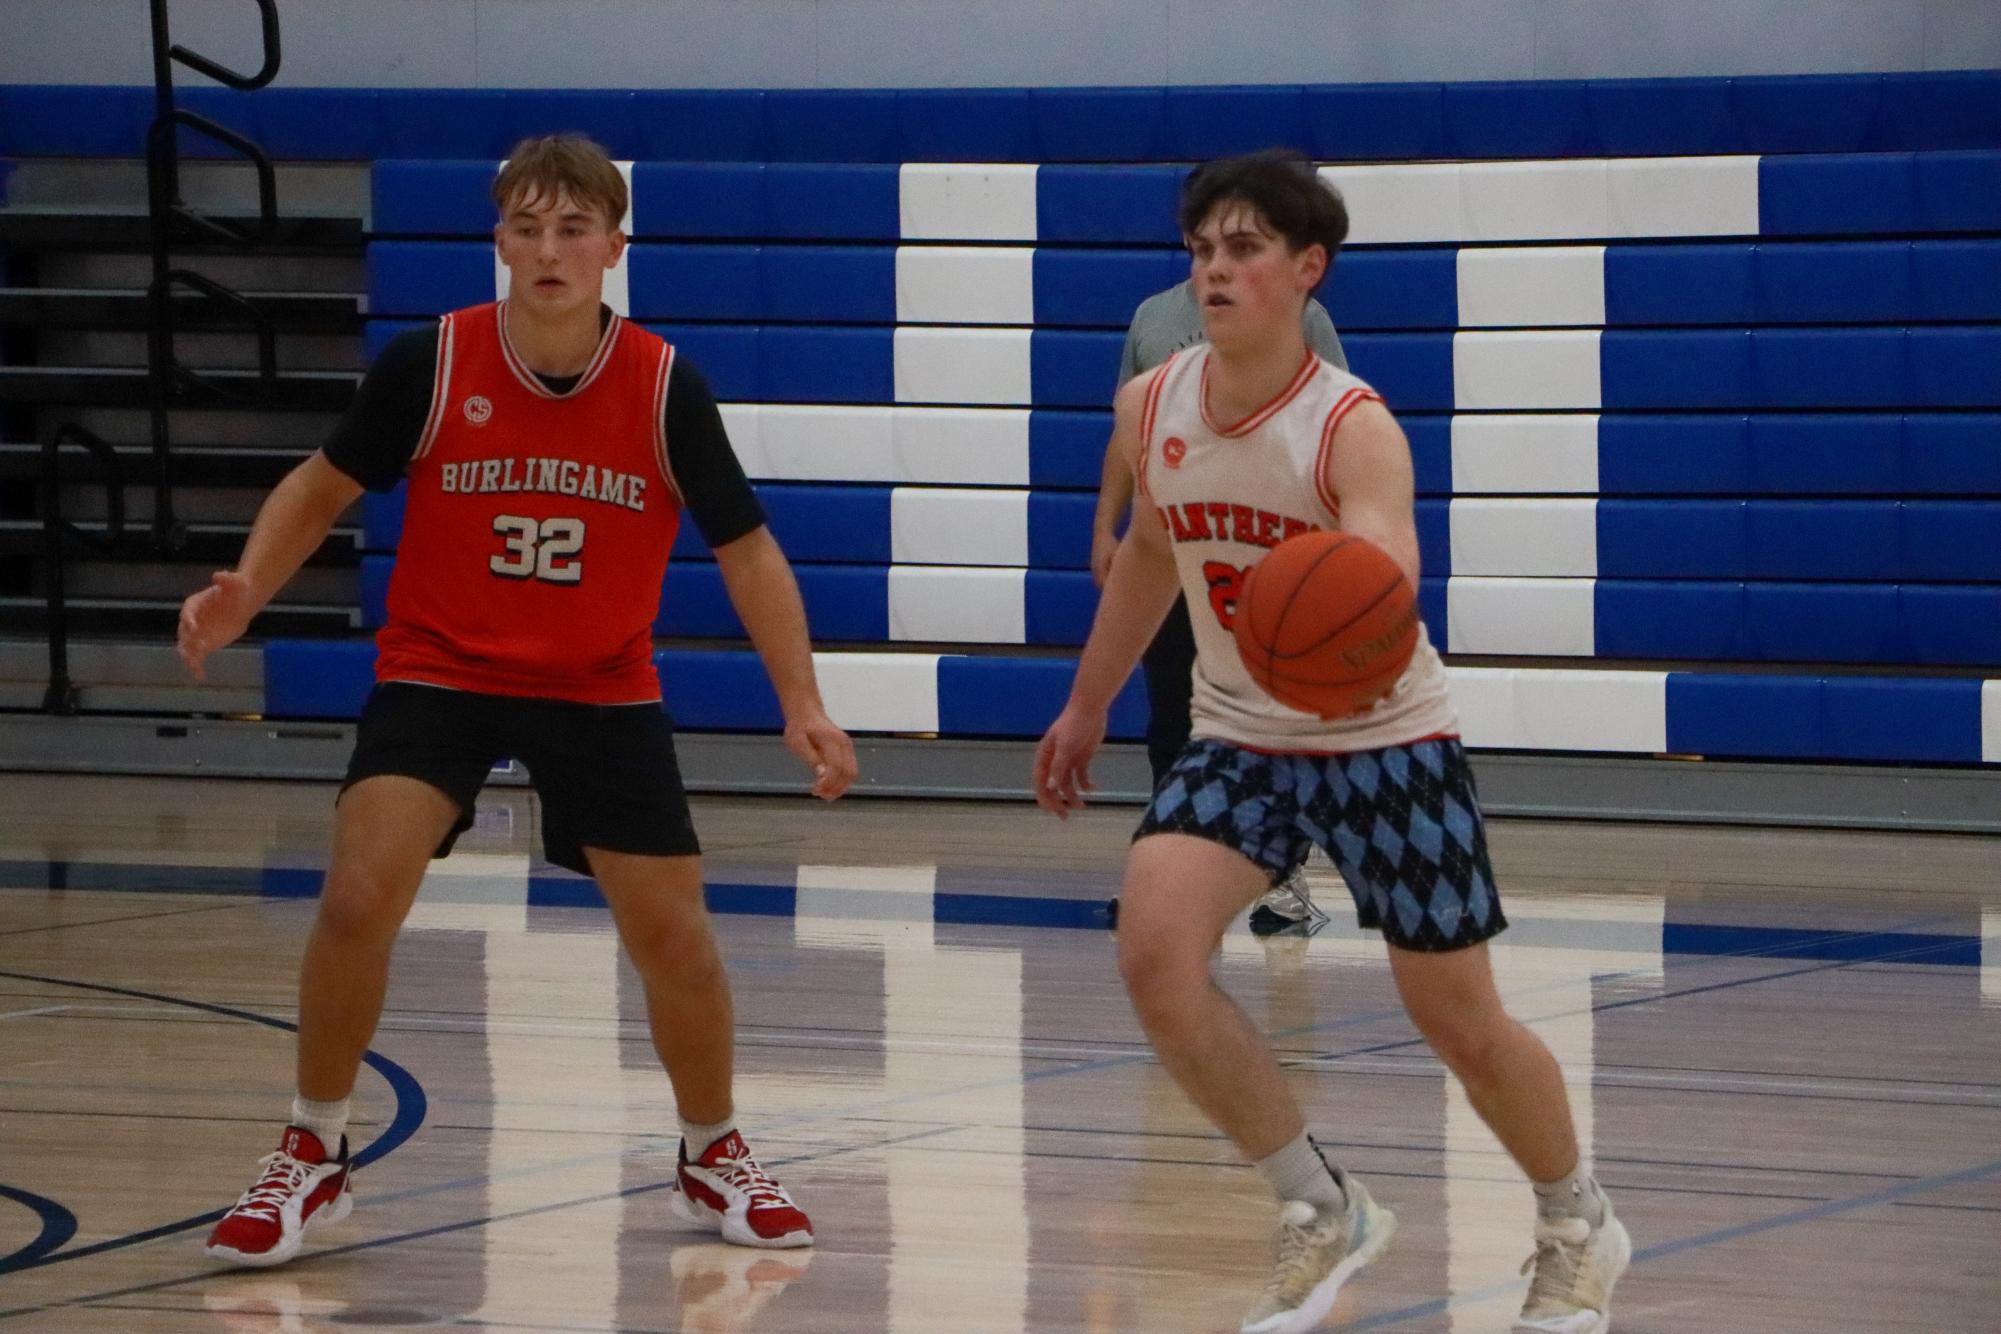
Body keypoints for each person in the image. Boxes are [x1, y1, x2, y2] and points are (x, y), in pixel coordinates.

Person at [179, 134, 857, 1267]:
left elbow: (746, 550)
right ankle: (313, 1149)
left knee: (676, 938)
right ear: (498, 240)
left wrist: (804, 700)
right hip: (441, 668)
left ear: (613, 246)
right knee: (356, 892)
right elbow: (320, 483)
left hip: (598, 681)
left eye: (572, 228)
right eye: (528, 228)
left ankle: (712, 1146)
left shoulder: (661, 381)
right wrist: (249, 587)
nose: (549, 250)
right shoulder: (432, 362)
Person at [1034, 150, 1629, 1334]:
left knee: (1459, 1017)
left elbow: (1386, 564)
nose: (1216, 268)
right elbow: (1154, 553)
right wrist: (1089, 701)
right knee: (1156, 950)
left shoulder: (1351, 427)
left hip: (1381, 735)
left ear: (1307, 270)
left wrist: (1357, 588)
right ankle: (1321, 1203)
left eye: (1244, 248)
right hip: (1239, 732)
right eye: (1202, 248)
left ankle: (1577, 1219)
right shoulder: (1153, 404)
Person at [1091, 279, 1345, 934]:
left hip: (1263, 556)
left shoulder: (1301, 315)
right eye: (1204, 239)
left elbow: (1334, 434)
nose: (1217, 259)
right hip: (1175, 551)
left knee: (1267, 726)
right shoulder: (1151, 316)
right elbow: (1127, 440)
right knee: (1171, 718)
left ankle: (1282, 881)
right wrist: (1105, 525)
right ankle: (1166, 876)